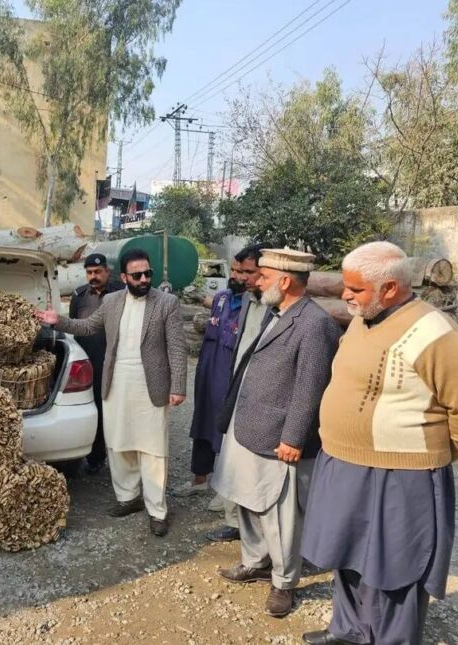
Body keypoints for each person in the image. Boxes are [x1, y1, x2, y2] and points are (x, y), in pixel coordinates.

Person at [301, 242, 458, 645]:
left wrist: (426, 454)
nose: (345, 295)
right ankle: (349, 630)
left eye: (355, 289)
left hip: (402, 475)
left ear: (389, 288)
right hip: (343, 463)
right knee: (347, 554)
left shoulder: (440, 336)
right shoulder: (363, 318)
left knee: (394, 569)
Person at [212, 248, 341, 619]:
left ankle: (284, 582)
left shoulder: (314, 324)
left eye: (264, 276)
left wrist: (294, 438)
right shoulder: (276, 311)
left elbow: (311, 387)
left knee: (280, 514)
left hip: (279, 437)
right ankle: (256, 561)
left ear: (285, 281)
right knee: (247, 498)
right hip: (249, 426)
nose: (256, 281)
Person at [36, 249, 188, 537]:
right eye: (137, 275)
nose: (144, 279)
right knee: (119, 443)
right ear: (124, 277)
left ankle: (157, 510)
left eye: (147, 274)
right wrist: (58, 321)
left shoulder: (166, 303)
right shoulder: (112, 301)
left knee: (153, 448)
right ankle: (128, 498)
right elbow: (87, 326)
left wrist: (178, 386)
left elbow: (177, 348)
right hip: (116, 383)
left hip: (151, 385)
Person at [205, 244, 267, 543]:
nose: (241, 278)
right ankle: (233, 522)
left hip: (262, 398)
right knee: (231, 457)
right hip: (236, 390)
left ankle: (260, 531)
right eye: (239, 271)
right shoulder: (245, 303)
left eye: (248, 272)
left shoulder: (278, 309)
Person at [172, 259, 245, 497]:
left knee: (226, 429)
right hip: (207, 373)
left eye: (241, 272)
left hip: (230, 378)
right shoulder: (222, 299)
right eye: (233, 270)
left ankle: (226, 489)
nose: (234, 275)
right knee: (202, 422)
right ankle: (199, 478)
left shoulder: (252, 307)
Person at [68, 253, 125, 473]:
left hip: (114, 362)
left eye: (98, 272)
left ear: (107, 272)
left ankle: (111, 456)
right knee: (88, 408)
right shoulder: (79, 295)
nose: (93, 276)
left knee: (112, 410)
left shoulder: (121, 292)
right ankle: (86, 457)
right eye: (89, 272)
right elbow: (74, 325)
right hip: (87, 363)